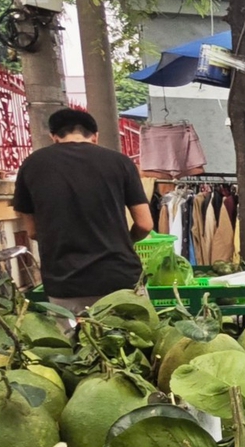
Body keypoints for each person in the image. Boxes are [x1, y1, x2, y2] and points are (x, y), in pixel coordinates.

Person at [12, 107, 153, 313]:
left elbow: (33, 231)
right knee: (133, 341)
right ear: (95, 136)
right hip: (119, 276)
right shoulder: (120, 162)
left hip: (64, 282)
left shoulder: (32, 164)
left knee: (74, 343)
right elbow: (145, 224)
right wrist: (123, 242)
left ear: (54, 137)